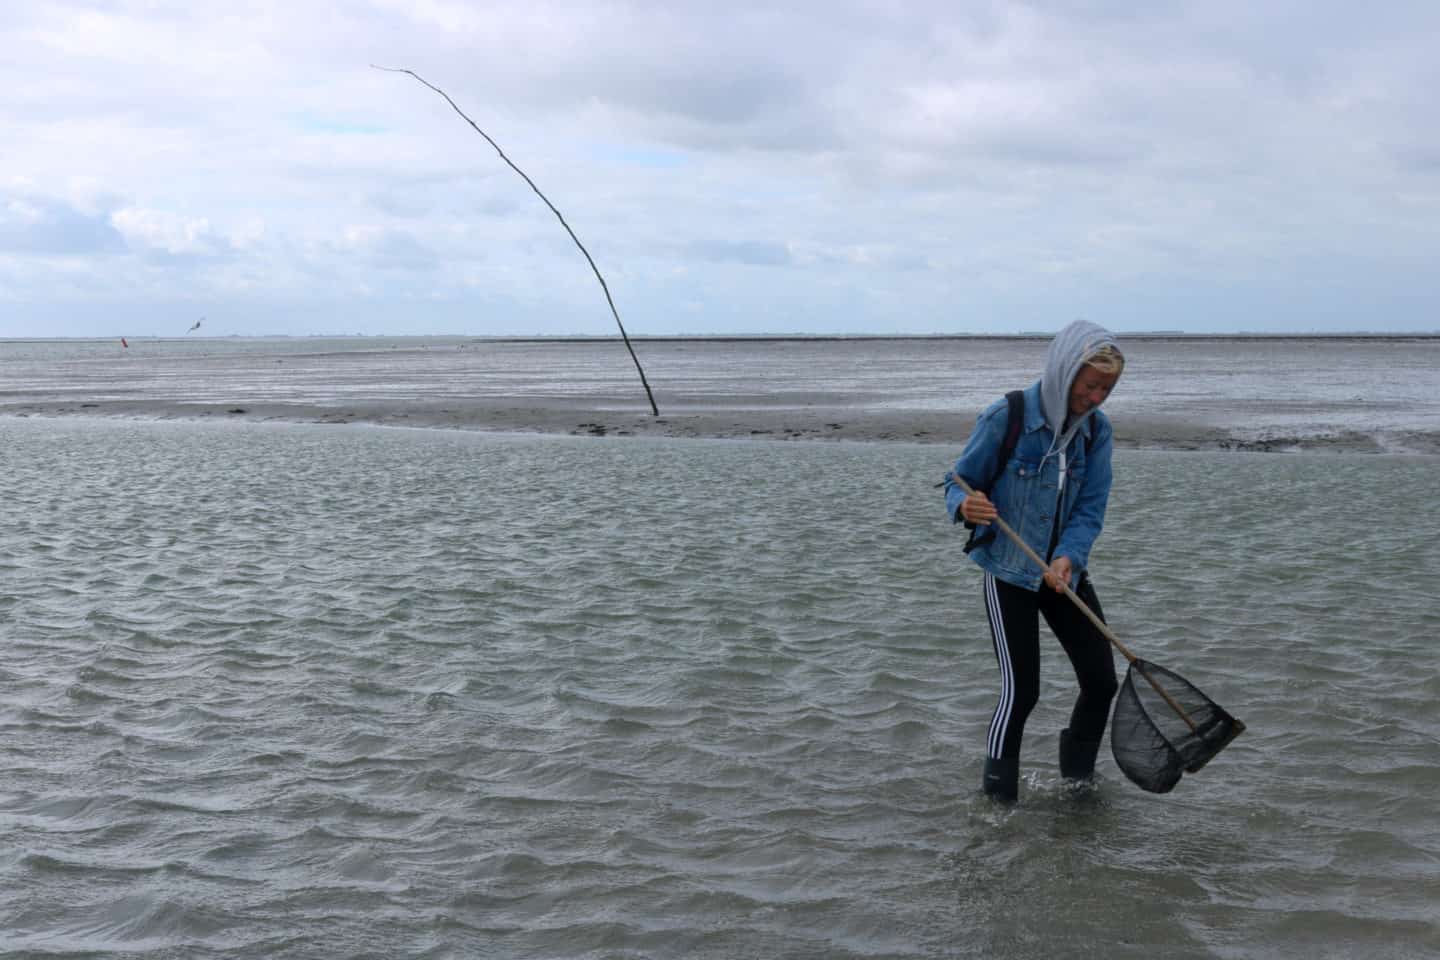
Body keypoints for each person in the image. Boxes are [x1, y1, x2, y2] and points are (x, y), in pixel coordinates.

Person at [943, 320, 1125, 804]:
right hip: (1009, 572)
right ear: (1066, 374)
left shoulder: (1097, 433)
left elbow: (1091, 508)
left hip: (1063, 574)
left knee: (1102, 681)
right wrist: (967, 506)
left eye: (1107, 389)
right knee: (1022, 692)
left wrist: (1068, 557)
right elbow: (957, 481)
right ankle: (998, 804)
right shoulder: (1007, 416)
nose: (1097, 398)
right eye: (1090, 386)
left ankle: (1078, 789)